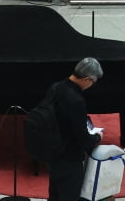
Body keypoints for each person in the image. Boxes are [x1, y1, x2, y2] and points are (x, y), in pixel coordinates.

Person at [45, 57, 104, 201]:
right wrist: (97, 137)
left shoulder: (55, 87)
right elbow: (82, 138)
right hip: (70, 158)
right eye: (93, 82)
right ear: (86, 79)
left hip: (53, 154)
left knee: (54, 195)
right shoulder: (76, 100)